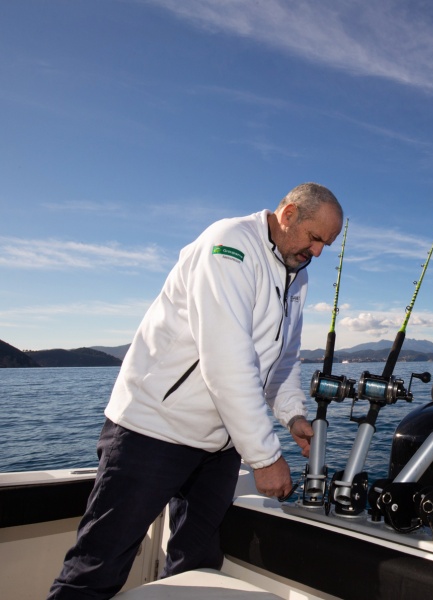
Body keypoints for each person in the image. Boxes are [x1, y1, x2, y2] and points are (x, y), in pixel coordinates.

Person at [48, 183, 344, 599]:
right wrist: (264, 456)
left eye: (326, 245)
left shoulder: (297, 274)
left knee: (197, 569)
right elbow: (226, 358)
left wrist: (293, 414)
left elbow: (283, 359)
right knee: (96, 568)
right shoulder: (229, 245)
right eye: (316, 238)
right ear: (289, 214)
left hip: (219, 445)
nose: (317, 253)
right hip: (153, 432)